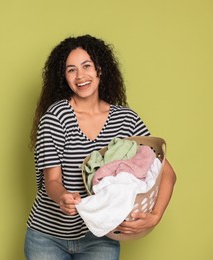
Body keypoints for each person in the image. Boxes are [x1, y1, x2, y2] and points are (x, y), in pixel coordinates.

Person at [24, 35, 177, 260]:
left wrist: (155, 216)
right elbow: (52, 181)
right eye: (71, 70)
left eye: (87, 66)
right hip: (47, 237)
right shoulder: (56, 117)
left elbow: (167, 173)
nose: (80, 76)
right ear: (63, 77)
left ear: (100, 69)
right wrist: (62, 197)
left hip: (101, 238)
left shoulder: (126, 120)